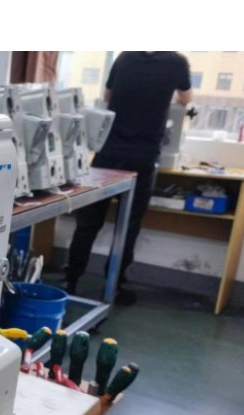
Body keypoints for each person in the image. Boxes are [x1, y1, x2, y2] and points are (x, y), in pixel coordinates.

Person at [64, 51, 193, 304]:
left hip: (108, 152)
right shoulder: (177, 62)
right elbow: (186, 99)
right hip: (143, 157)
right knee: (128, 226)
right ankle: (114, 286)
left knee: (88, 222)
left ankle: (71, 279)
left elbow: (107, 96)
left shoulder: (124, 58)